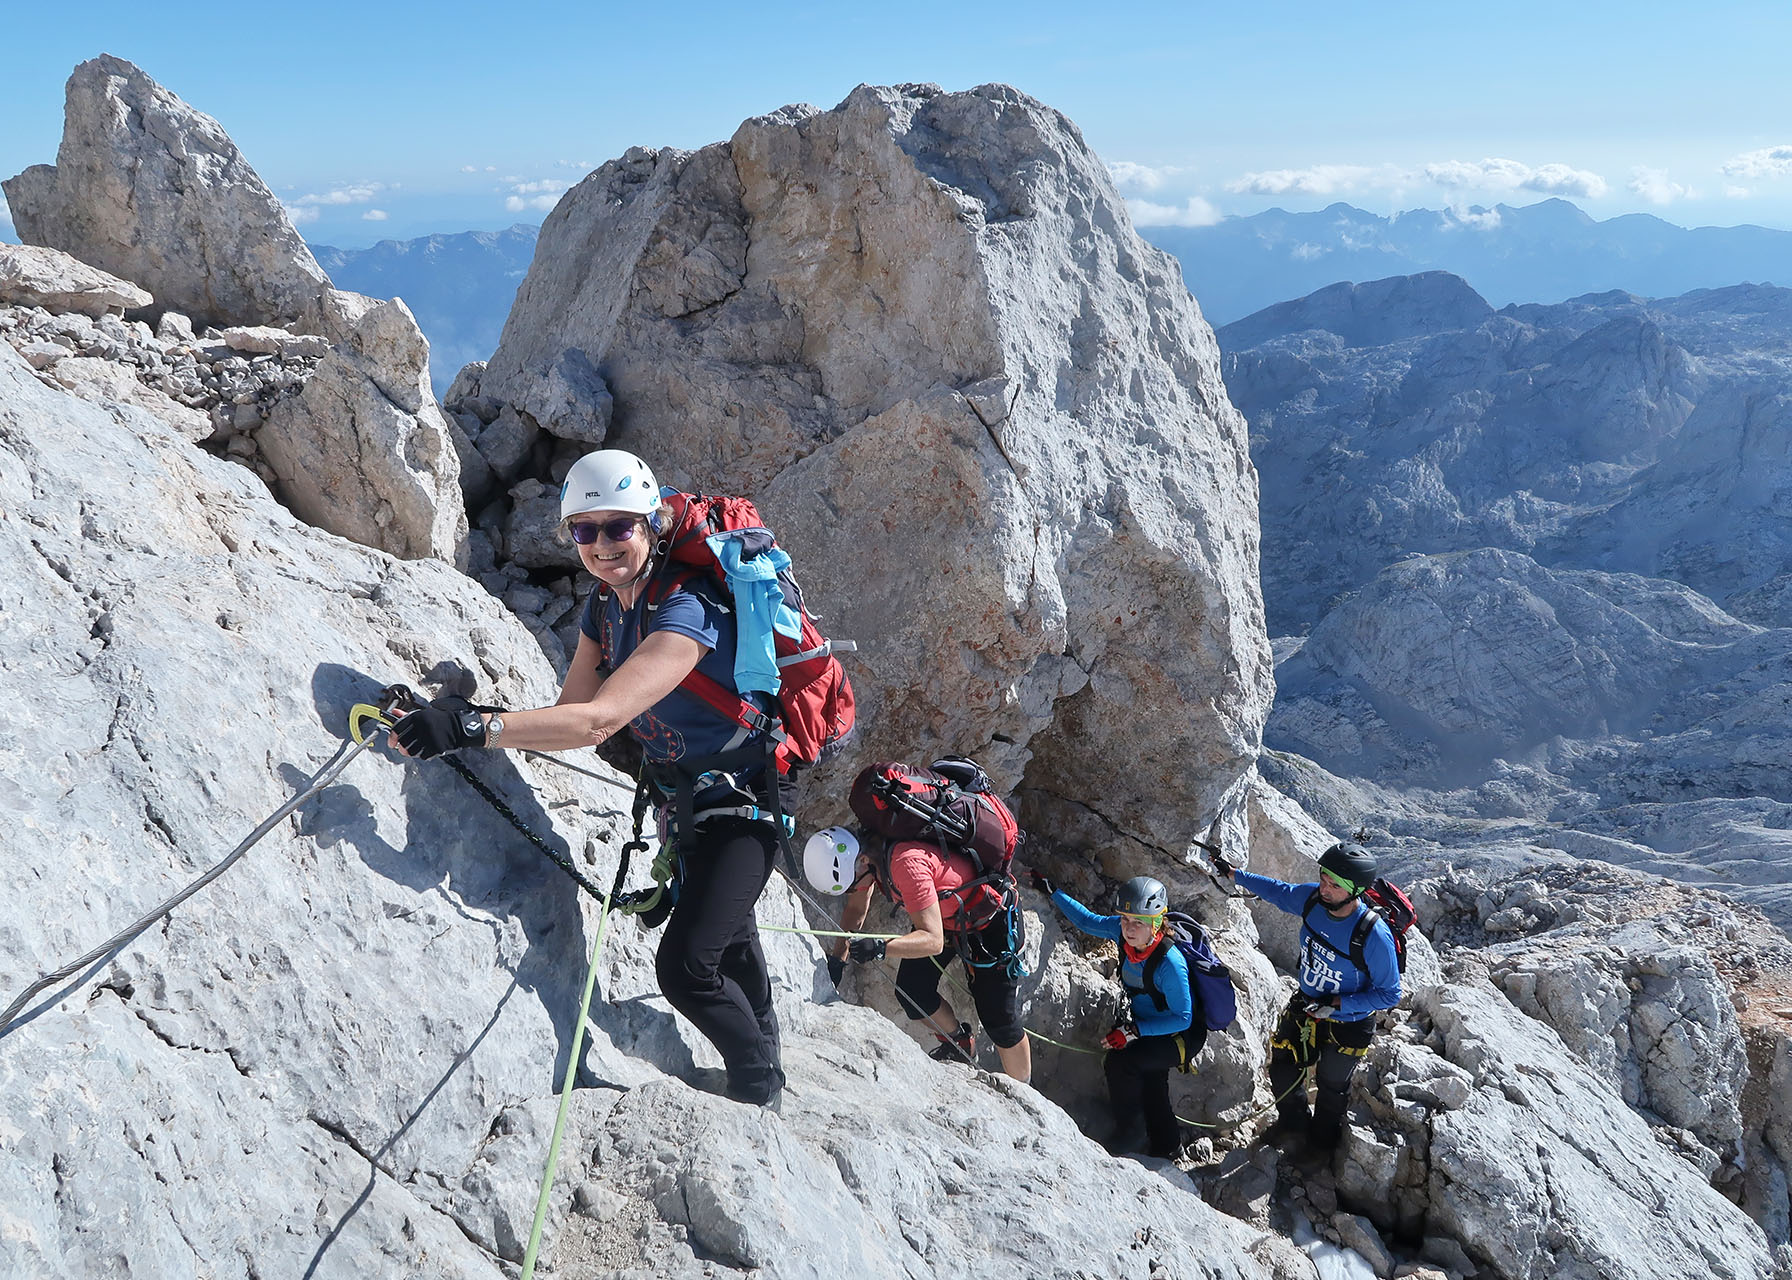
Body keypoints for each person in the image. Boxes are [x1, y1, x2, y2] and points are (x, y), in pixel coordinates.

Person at [391, 448, 792, 1107]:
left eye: (618, 528)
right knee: (730, 934)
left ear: (650, 526)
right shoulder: (604, 608)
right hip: (684, 798)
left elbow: (599, 721)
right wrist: (468, 715)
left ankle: (759, 1084)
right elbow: (566, 712)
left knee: (687, 969)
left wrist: (473, 730)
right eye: (585, 530)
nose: (601, 546)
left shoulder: (687, 607)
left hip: (747, 795)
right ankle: (763, 1062)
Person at [1211, 841, 1401, 1156]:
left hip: (1349, 1022)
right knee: (1284, 1066)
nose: (1324, 888)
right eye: (1323, 878)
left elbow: (1390, 992)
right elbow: (1279, 892)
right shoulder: (1314, 900)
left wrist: (1338, 1004)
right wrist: (1234, 873)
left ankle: (1321, 1146)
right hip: (1309, 1005)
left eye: (1334, 885)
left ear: (1354, 890)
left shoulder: (1372, 934)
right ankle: (1294, 1126)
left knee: (1331, 1085)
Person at [804, 826, 1032, 1083]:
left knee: (998, 1019)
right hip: (946, 917)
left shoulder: (905, 864)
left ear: (863, 860)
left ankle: (1023, 1094)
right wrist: (838, 960)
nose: (852, 891)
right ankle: (959, 1043)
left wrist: (880, 948)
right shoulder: (867, 852)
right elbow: (856, 909)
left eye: (850, 886)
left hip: (991, 921)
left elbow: (932, 941)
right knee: (912, 991)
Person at [1044, 874, 1205, 1158]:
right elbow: (1087, 921)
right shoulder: (1123, 936)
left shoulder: (1170, 963)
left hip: (1180, 1036)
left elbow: (1183, 1017)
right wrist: (1052, 890)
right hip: (1152, 1027)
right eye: (1125, 919)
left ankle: (1130, 1134)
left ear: (1156, 924)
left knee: (1122, 1063)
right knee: (1153, 1081)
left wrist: (1132, 1032)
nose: (1130, 928)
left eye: (1139, 923)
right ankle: (1167, 1146)